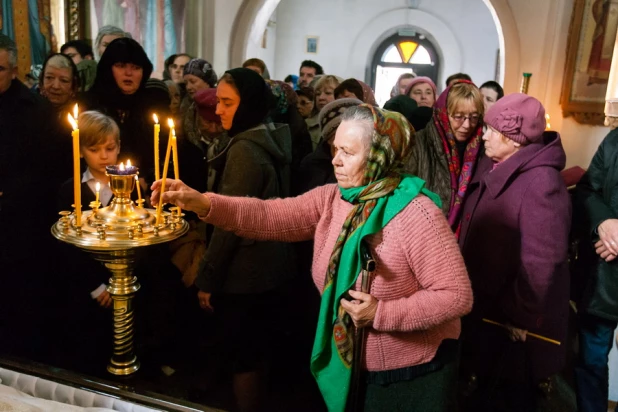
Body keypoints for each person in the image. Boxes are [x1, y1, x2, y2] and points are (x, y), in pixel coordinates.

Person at [151, 104, 473, 412]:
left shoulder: (415, 213)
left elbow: (456, 297)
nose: (335, 160)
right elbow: (268, 216)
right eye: (335, 149)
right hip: (355, 367)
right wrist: (203, 204)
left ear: (380, 156)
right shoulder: (336, 198)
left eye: (348, 152)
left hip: (412, 371)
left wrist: (381, 313)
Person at [177, 68, 296, 412]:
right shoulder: (269, 135)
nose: (218, 110)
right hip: (269, 267)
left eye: (228, 103)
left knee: (244, 356)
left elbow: (229, 221)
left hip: (245, 274)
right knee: (256, 352)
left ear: (249, 104)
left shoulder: (245, 149)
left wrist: (207, 279)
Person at [458, 94, 571, 411]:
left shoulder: (540, 181)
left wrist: (521, 316)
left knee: (506, 399)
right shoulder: (497, 164)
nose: (484, 135)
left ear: (515, 139)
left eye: (492, 130)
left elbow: (542, 262)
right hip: (490, 311)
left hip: (512, 324)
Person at [573, 121, 618, 412]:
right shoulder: (615, 140)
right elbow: (587, 189)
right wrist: (603, 223)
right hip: (605, 273)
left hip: (610, 253)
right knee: (591, 360)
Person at [405, 80, 485, 232]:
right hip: (424, 235)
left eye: (474, 118)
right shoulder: (418, 145)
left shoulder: (484, 151)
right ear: (443, 114)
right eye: (458, 117)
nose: (467, 125)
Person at [86, 37, 167, 183]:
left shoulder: (154, 106)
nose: (129, 73)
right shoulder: (90, 105)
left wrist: (148, 180)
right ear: (108, 69)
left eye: (136, 68)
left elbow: (166, 152)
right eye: (121, 66)